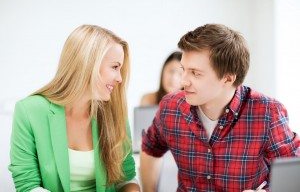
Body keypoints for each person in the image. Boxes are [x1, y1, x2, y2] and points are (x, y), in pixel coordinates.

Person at [140, 24, 300, 192]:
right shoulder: (170, 107)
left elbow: (293, 175)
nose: (183, 81)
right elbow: (150, 148)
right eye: (183, 70)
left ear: (227, 78)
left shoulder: (267, 113)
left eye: (195, 73)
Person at [9, 25, 140, 192]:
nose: (120, 78)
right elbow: (27, 186)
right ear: (88, 64)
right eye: (115, 67)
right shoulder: (29, 111)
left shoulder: (114, 113)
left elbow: (126, 178)